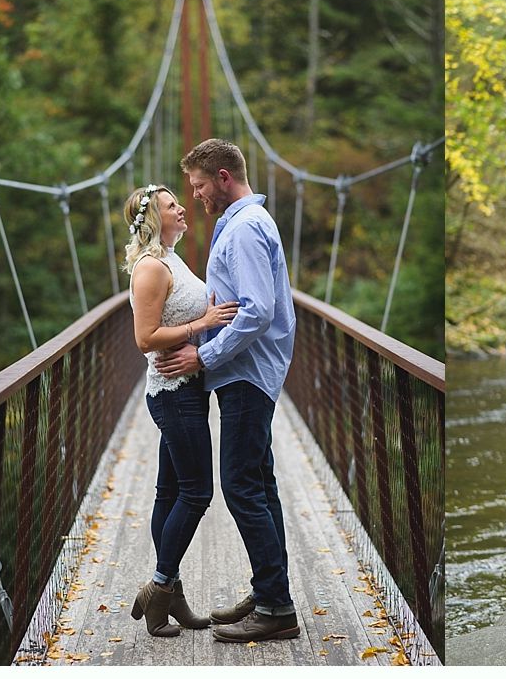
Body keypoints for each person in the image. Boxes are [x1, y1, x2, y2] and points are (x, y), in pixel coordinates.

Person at [153, 138, 299, 643]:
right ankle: (269, 592)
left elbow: (257, 310)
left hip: (245, 373)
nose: (193, 196)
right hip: (246, 372)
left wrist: (203, 355)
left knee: (240, 486)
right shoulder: (238, 226)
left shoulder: (245, 230)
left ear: (222, 178)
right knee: (259, 483)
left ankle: (277, 608)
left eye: (197, 185)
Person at [123, 184, 240, 637]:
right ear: (154, 217)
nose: (182, 208)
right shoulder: (151, 268)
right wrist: (203, 324)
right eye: (173, 204)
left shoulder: (172, 258)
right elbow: (145, 338)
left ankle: (168, 599)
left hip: (189, 388)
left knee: (168, 494)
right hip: (172, 392)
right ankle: (159, 587)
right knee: (197, 493)